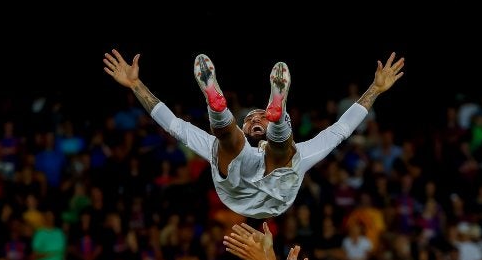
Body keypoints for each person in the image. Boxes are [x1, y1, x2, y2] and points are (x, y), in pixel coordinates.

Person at [102, 48, 405, 219]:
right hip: (239, 185)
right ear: (248, 128)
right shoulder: (240, 142)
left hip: (275, 189)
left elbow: (340, 130)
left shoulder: (294, 152)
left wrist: (376, 89)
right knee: (229, 141)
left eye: (262, 115)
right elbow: (175, 125)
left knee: (282, 151)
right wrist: (135, 85)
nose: (255, 118)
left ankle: (272, 115)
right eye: (252, 118)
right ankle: (219, 107)